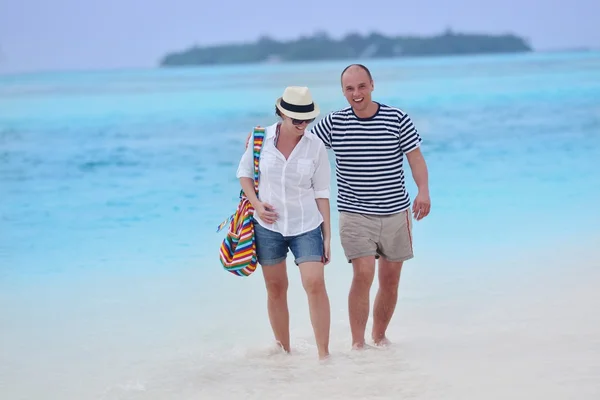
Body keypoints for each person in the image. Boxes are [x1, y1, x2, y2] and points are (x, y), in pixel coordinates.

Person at [310, 64, 431, 350]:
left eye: (361, 86)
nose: (356, 93)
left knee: (390, 280)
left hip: (395, 212)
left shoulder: (397, 119)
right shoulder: (333, 123)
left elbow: (415, 158)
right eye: (350, 89)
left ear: (372, 85)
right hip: (354, 213)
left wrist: (423, 191)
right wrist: (261, 140)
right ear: (343, 92)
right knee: (363, 274)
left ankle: (379, 337)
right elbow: (302, 143)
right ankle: (357, 345)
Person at [236, 86, 333, 360]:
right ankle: (283, 353)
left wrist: (327, 236)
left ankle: (324, 356)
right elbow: (243, 174)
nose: (303, 125)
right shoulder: (259, 139)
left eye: (307, 120)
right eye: (297, 120)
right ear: (282, 113)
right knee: (276, 288)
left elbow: (322, 192)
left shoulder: (315, 146)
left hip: (307, 224)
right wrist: (257, 204)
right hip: (268, 227)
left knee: (315, 283)